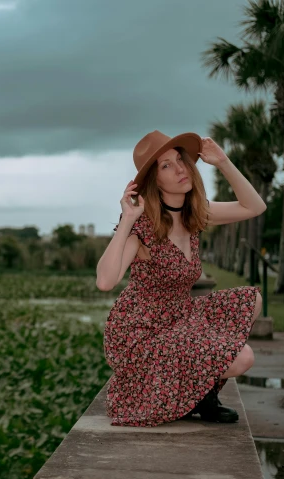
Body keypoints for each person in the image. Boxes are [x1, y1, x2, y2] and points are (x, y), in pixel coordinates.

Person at [95, 130, 266, 427]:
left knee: (252, 301)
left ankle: (199, 394)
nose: (179, 169)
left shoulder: (195, 214)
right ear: (154, 180)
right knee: (242, 357)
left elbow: (255, 207)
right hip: (144, 330)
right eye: (165, 166)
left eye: (180, 160)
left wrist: (223, 162)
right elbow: (105, 281)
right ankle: (198, 395)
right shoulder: (144, 226)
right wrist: (127, 220)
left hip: (180, 316)